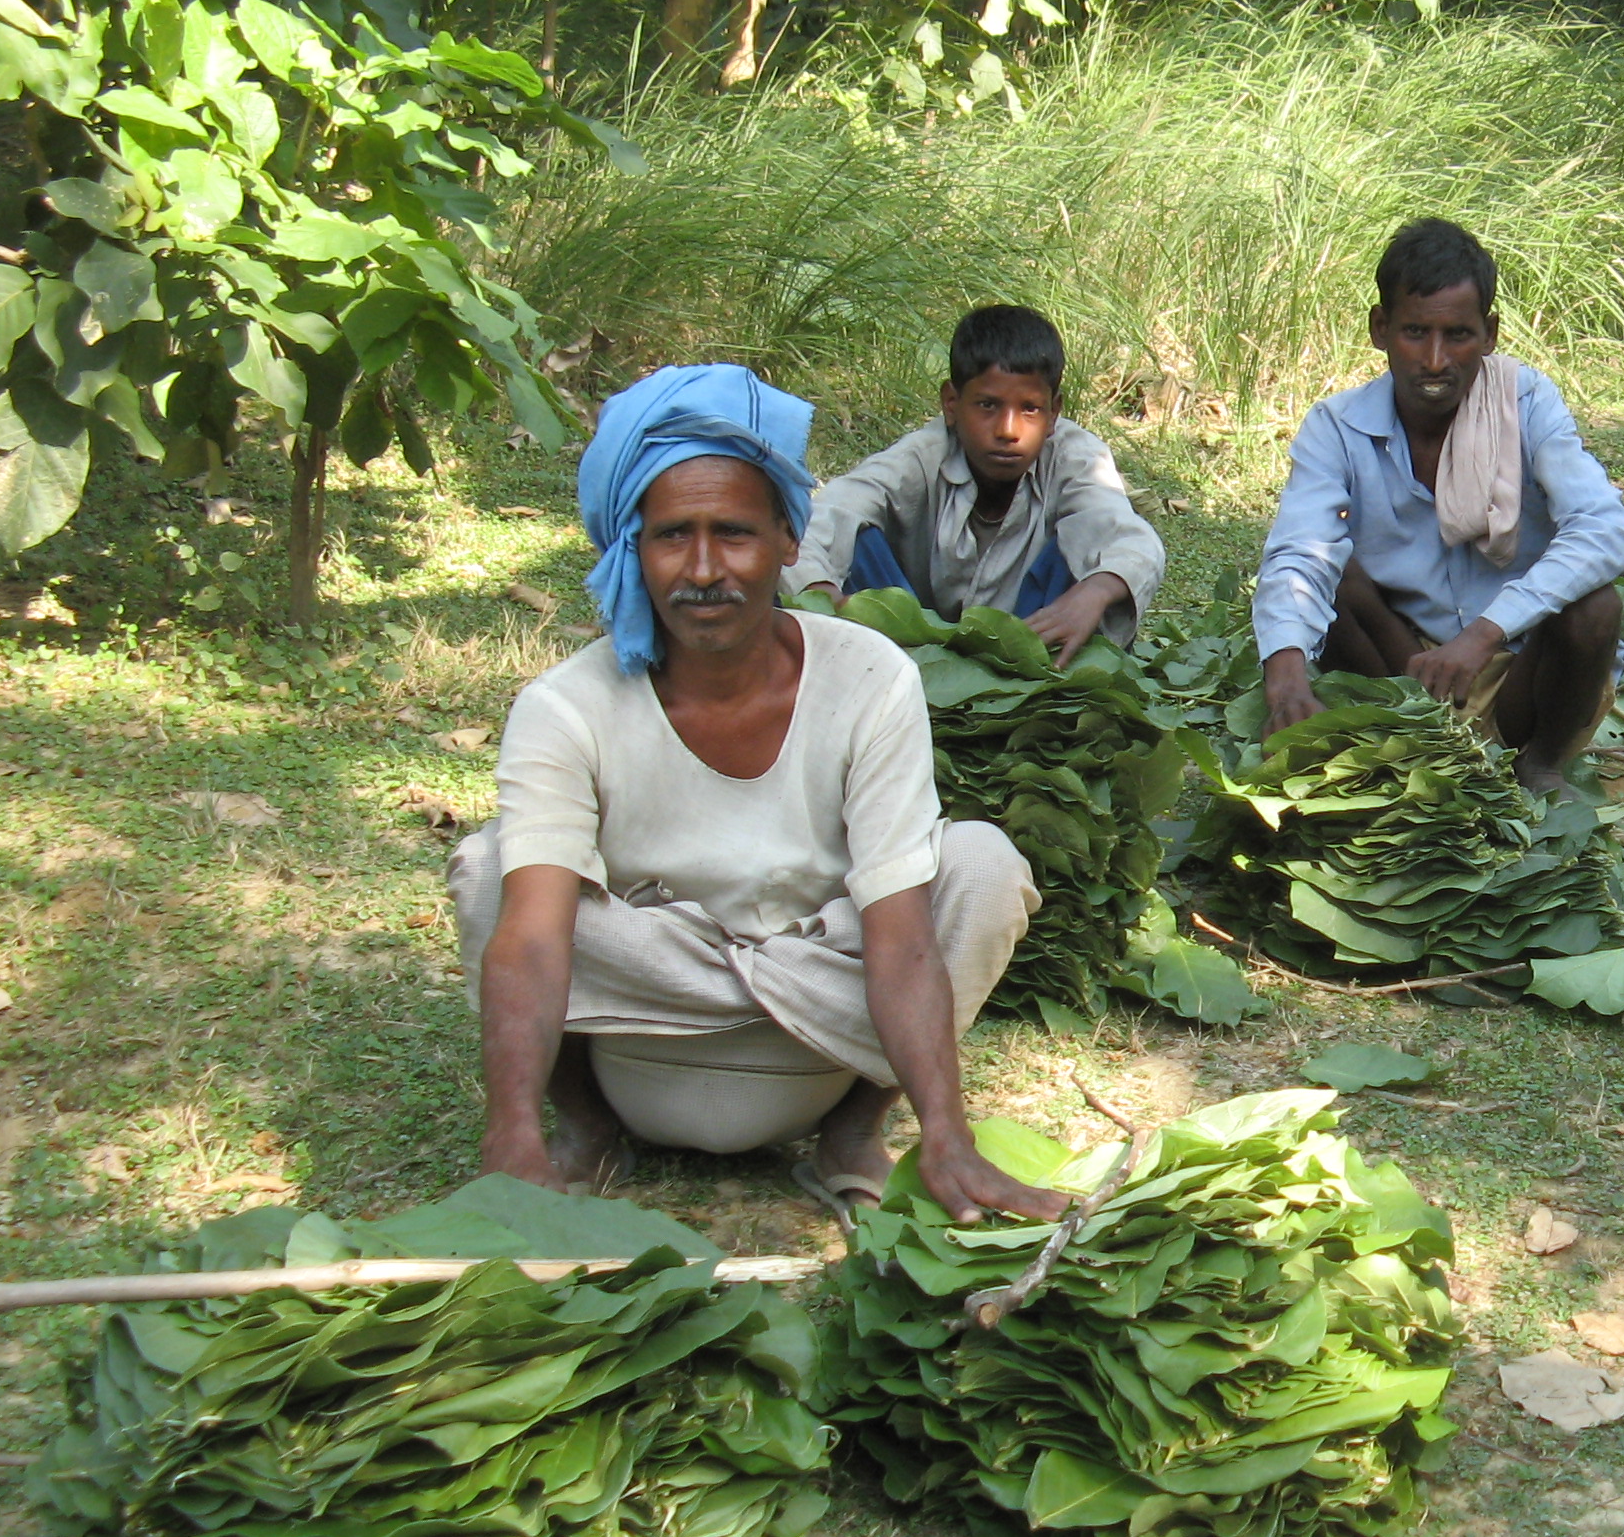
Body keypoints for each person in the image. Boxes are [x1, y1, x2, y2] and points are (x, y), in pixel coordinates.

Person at [450, 361, 1069, 1223]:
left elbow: (898, 934)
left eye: (734, 533)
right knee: (491, 871)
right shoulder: (567, 705)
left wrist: (947, 1133)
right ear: (634, 545)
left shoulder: (868, 677)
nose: (704, 568)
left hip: (818, 1023)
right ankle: (582, 1130)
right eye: (672, 536)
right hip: (652, 1018)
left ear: (788, 540)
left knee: (979, 865)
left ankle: (854, 1134)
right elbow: (533, 940)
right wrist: (507, 1132)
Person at [1256, 217, 1624, 790]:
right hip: (1405, 670)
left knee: (1595, 608)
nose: (1435, 361)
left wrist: (1484, 634)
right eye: (1414, 332)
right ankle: (1412, 738)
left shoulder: (1527, 403)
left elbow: (1610, 532)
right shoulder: (1336, 427)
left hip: (1523, 677)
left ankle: (1540, 764)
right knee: (1335, 570)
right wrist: (1286, 676)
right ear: (1380, 328)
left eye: (1457, 336)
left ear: (1489, 334)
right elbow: (1298, 553)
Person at [791, 303, 1164, 662]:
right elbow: (818, 520)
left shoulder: (1075, 458)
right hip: (915, 645)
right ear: (951, 403)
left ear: (1054, 413)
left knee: (1094, 559)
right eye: (987, 405)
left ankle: (1055, 684)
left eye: (1030, 409)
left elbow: (1133, 542)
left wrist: (1093, 592)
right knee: (849, 542)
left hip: (1033, 642)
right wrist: (822, 594)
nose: (1008, 430)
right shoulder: (921, 456)